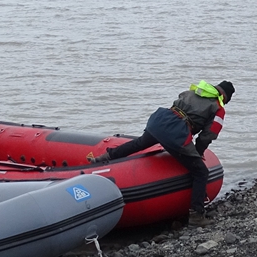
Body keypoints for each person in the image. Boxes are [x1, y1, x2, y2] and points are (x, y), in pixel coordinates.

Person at [90, 80, 233, 226]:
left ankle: (104, 158)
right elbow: (208, 135)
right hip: (175, 133)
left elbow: (179, 103)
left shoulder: (196, 91)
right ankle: (196, 215)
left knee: (139, 143)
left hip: (160, 121)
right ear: (225, 97)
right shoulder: (218, 108)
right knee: (201, 172)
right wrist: (198, 153)